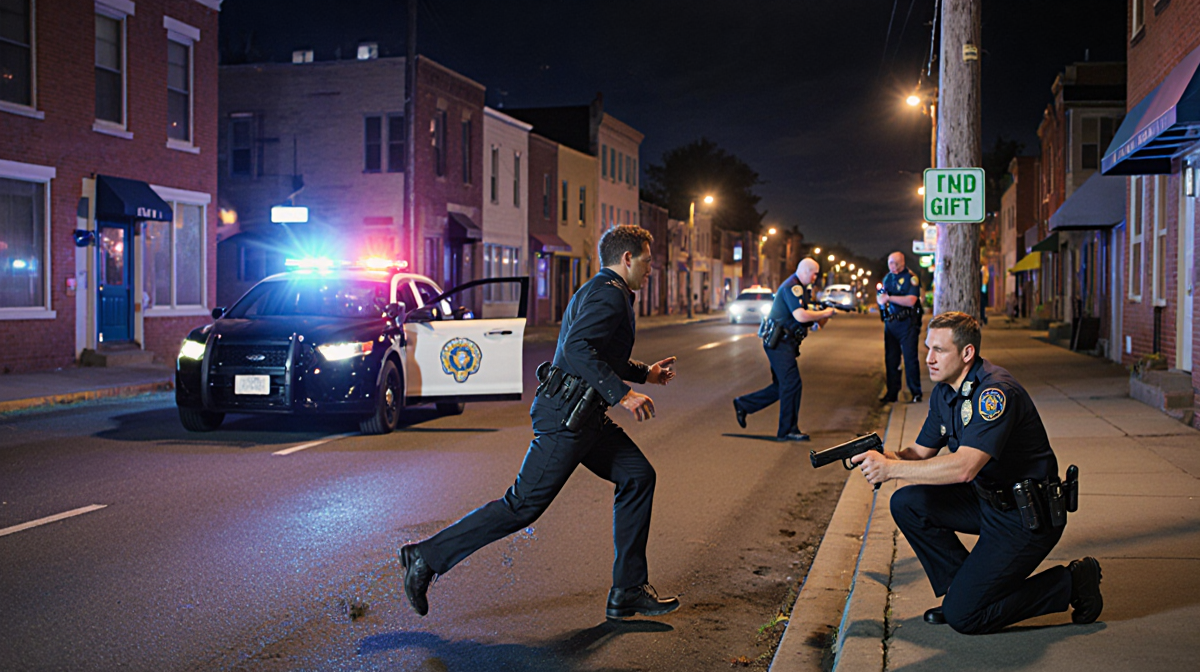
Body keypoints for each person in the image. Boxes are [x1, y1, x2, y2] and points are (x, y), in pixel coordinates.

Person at [399, 225, 681, 621]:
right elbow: (578, 347)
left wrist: (644, 374)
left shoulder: (600, 289)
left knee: (637, 476)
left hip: (585, 416)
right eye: (648, 261)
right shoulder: (609, 295)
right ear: (628, 259)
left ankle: (628, 591)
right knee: (521, 507)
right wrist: (624, 394)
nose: (652, 269)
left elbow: (598, 352)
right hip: (567, 418)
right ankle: (425, 557)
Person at [850, 312, 1103, 634]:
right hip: (987, 503)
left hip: (1026, 517)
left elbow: (965, 467)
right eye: (927, 348)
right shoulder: (946, 391)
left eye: (939, 350)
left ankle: (1071, 582)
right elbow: (917, 454)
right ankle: (964, 593)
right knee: (907, 503)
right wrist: (881, 456)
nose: (928, 358)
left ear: (967, 353)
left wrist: (892, 469)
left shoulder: (994, 394)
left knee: (965, 619)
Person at [732, 258, 835, 442]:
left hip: (785, 343)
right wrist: (824, 313)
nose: (815, 277)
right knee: (792, 383)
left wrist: (820, 316)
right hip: (779, 343)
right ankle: (788, 430)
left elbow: (805, 318)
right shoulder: (792, 287)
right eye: (814, 273)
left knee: (782, 387)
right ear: (804, 271)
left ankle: (744, 404)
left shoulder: (801, 288)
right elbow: (800, 315)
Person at [877, 251, 924, 404]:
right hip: (891, 323)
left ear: (903, 263)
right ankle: (892, 392)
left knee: (910, 359)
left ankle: (915, 392)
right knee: (891, 360)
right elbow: (881, 296)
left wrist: (890, 298)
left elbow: (911, 300)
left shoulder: (911, 278)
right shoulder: (888, 278)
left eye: (897, 263)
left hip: (907, 323)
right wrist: (881, 301)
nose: (894, 266)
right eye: (891, 263)